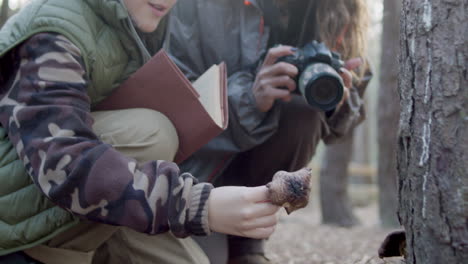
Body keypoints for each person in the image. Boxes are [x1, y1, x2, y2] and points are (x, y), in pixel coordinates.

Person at [0, 0, 280, 263]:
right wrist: (200, 206)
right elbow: (63, 164)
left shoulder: (135, 21)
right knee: (152, 134)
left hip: (92, 203)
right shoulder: (54, 30)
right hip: (16, 228)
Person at [166, 0, 371, 263]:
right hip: (198, 172)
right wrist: (250, 99)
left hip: (263, 167)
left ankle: (248, 246)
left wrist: (335, 103)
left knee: (304, 113)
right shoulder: (199, 6)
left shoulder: (339, 9)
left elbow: (338, 122)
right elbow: (173, 90)